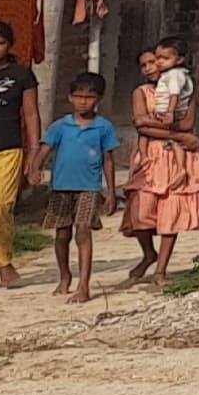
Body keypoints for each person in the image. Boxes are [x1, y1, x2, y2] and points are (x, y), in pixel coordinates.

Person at [121, 36, 199, 288]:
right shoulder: (141, 93)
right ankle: (149, 253)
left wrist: (159, 126)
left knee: (171, 212)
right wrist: (180, 136)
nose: (151, 67)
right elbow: (140, 124)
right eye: (145, 65)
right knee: (141, 211)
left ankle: (160, 269)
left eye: (156, 61)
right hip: (150, 157)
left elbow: (187, 122)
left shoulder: (183, 88)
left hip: (175, 158)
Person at [41, 74, 120, 302]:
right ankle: (65, 275)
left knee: (83, 230)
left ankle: (83, 285)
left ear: (99, 99)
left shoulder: (103, 127)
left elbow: (108, 160)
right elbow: (45, 149)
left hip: (89, 188)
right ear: (70, 98)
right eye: (78, 97)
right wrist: (34, 168)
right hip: (60, 188)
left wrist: (111, 192)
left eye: (89, 97)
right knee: (62, 234)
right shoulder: (60, 126)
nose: (83, 102)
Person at [0, 20, 36, 291]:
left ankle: (3, 260)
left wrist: (34, 152)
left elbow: (31, 114)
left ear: (9, 46)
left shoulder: (21, 75)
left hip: (6, 151)